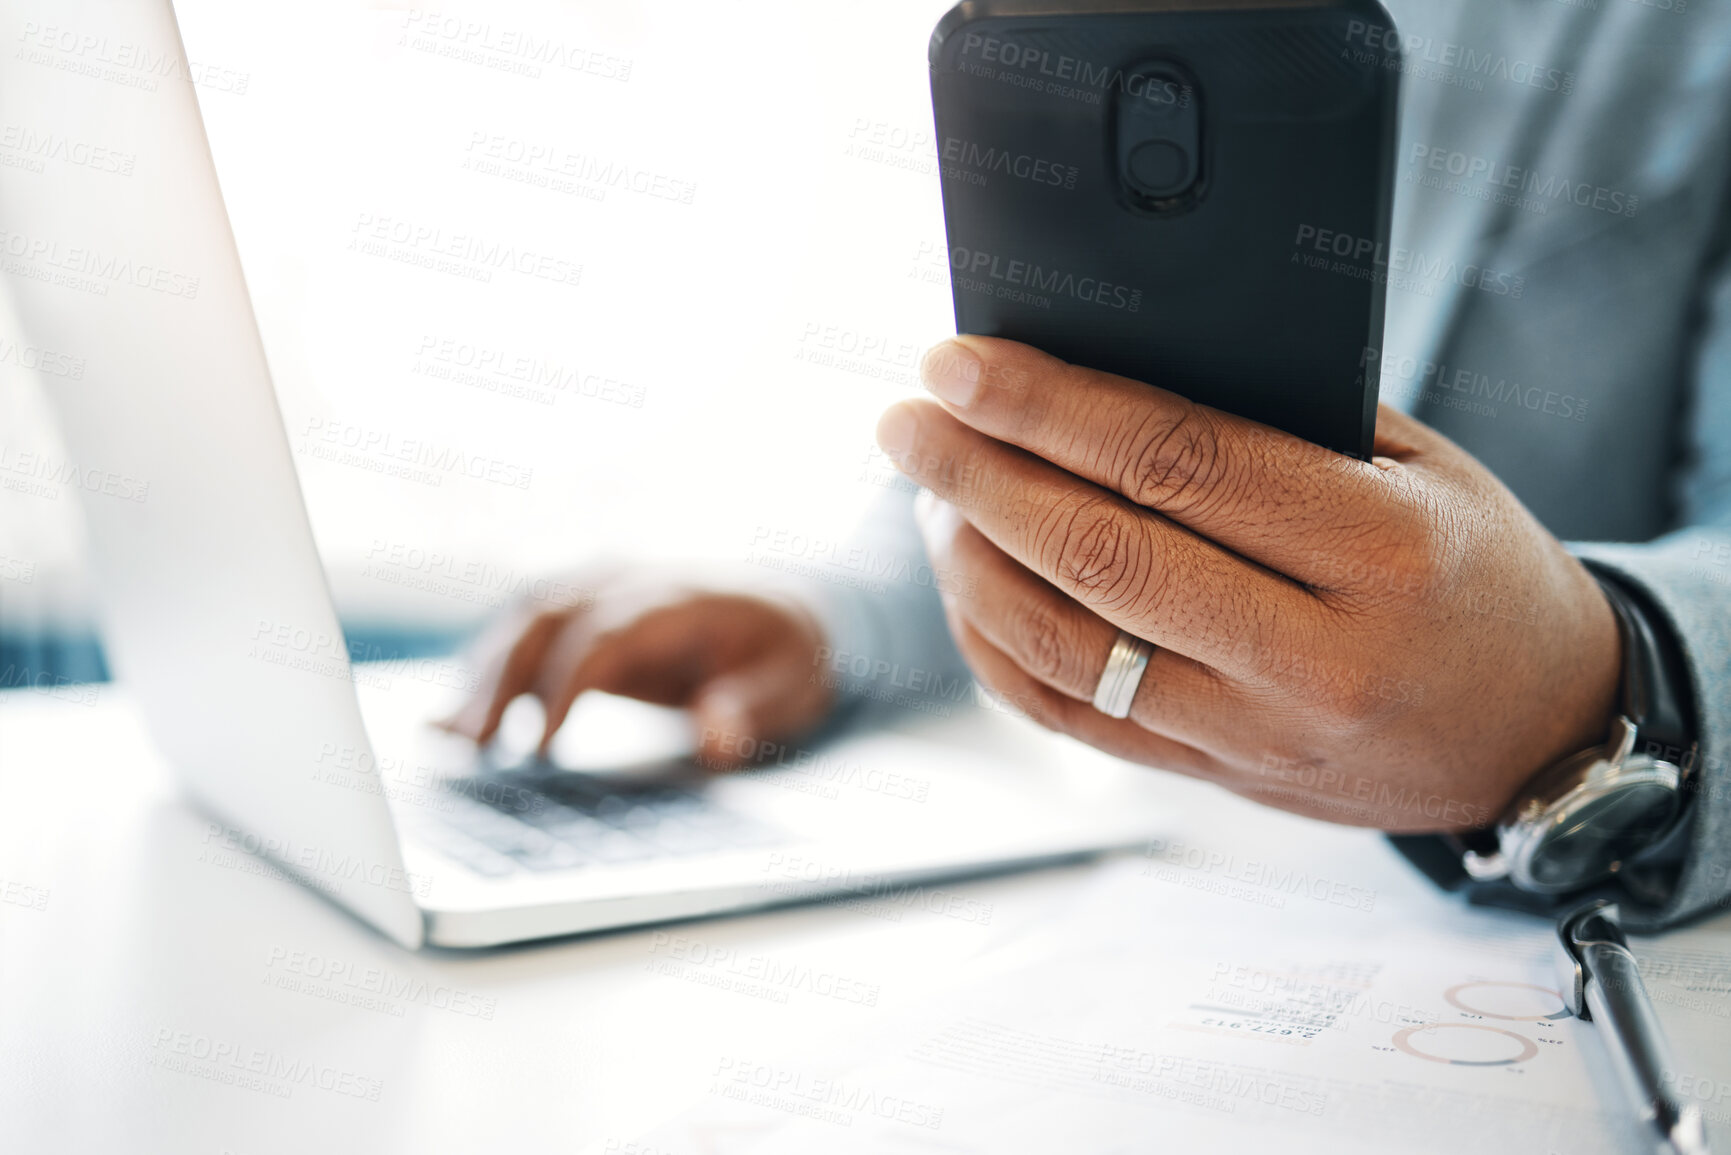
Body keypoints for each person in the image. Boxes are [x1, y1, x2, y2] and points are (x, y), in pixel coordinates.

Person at [444, 0, 1731, 930]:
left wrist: (1591, 685)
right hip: (1140, 912)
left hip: (1531, 940)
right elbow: (1063, 401)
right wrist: (831, 619)